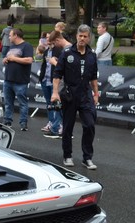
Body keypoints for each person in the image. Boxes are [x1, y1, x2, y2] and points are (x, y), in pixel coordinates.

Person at [51, 24, 99, 170]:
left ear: (89, 38)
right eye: (80, 36)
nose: (82, 39)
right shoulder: (67, 53)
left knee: (90, 125)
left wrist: (96, 94)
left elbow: (93, 78)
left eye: (85, 36)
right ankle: (67, 155)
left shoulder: (92, 55)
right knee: (67, 127)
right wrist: (55, 92)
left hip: (86, 95)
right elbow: (57, 74)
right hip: (70, 94)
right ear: (76, 36)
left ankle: (87, 158)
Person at [2, 28, 34, 131]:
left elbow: (29, 60)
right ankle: (7, 121)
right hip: (8, 79)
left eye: (10, 35)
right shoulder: (11, 47)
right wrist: (5, 60)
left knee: (22, 103)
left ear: (16, 35)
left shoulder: (26, 46)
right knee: (8, 102)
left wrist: (14, 59)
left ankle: (23, 123)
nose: (9, 37)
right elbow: (8, 57)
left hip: (20, 80)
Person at [40, 31, 66, 139]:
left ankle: (59, 126)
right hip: (45, 80)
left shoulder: (59, 50)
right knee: (49, 104)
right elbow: (44, 65)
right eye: (46, 38)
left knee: (57, 105)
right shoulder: (46, 51)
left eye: (48, 38)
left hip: (54, 81)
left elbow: (61, 66)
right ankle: (51, 123)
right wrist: (41, 78)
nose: (47, 40)